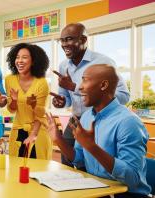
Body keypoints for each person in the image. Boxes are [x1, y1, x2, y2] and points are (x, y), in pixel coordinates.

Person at [46, 64, 151, 198]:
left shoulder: (128, 122)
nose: (79, 87)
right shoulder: (86, 116)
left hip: (126, 195)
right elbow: (80, 160)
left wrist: (92, 147)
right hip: (98, 191)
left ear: (103, 85)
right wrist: (59, 140)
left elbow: (132, 179)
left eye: (85, 80)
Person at [50, 23, 130, 168]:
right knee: (66, 162)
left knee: (91, 164)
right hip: (75, 120)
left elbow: (124, 96)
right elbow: (66, 99)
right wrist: (60, 101)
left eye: (69, 39)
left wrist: (74, 87)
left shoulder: (103, 62)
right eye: (62, 40)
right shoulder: (63, 66)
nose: (64, 44)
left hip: (98, 121)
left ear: (83, 40)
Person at [5, 43, 52, 159]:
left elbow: (40, 115)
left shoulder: (41, 82)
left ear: (34, 61)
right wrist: (14, 100)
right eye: (17, 57)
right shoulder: (9, 79)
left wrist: (33, 134)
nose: (19, 61)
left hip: (38, 131)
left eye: (24, 57)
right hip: (18, 131)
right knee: (16, 168)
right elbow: (11, 110)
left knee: (38, 169)